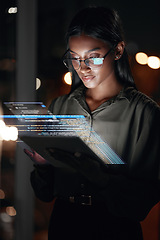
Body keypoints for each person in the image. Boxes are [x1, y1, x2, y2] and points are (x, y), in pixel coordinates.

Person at [24, 6, 160, 240]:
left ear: (118, 50)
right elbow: (44, 194)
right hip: (64, 224)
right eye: (74, 58)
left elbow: (141, 203)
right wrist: (43, 165)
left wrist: (101, 178)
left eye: (93, 57)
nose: (82, 68)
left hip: (114, 228)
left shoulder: (144, 114)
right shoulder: (59, 107)